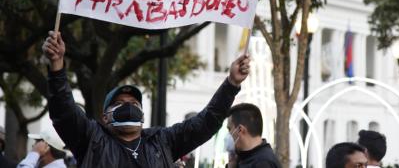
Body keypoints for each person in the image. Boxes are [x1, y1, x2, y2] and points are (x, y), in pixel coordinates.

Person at [42, 31, 250, 167]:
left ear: (142, 115)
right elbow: (64, 112)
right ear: (105, 117)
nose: (128, 107)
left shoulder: (162, 142)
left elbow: (206, 122)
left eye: (134, 104)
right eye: (119, 104)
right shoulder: (92, 140)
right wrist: (57, 66)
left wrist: (231, 84)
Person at [225, 103, 281, 168]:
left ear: (240, 130)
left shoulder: (262, 163)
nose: (228, 134)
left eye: (229, 129)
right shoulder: (243, 158)